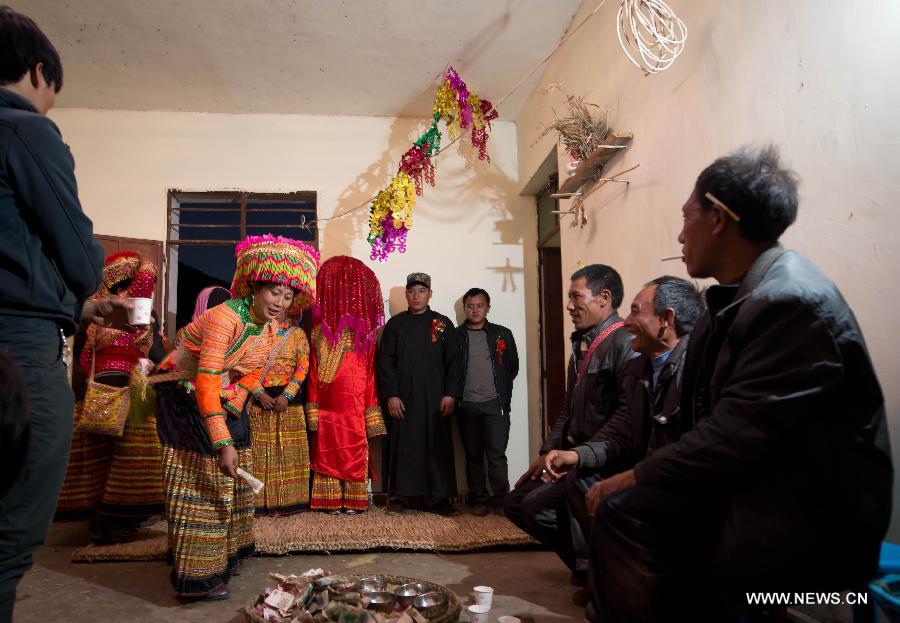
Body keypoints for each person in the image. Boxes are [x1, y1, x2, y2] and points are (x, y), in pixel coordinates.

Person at [586, 146, 893, 622]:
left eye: (688, 216)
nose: (680, 232)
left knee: (626, 507)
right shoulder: (728, 303)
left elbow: (732, 435)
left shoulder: (791, 302)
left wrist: (631, 475)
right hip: (753, 489)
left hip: (806, 517)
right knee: (625, 510)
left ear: (718, 219)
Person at [0, 7, 107, 621]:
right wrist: (86, 287)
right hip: (18, 350)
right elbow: (76, 250)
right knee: (11, 530)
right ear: (39, 72)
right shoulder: (24, 130)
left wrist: (82, 307)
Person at [151, 235, 318, 600]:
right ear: (255, 286)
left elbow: (250, 373)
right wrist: (221, 437)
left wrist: (234, 409)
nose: (280, 302)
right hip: (181, 392)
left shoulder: (271, 329)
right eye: (274, 292)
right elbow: (207, 377)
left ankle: (229, 552)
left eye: (288, 296)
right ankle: (198, 575)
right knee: (207, 473)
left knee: (240, 462)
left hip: (218, 393)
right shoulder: (224, 317)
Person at [541, 276, 702, 584]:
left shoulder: (695, 370)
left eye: (636, 312)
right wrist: (575, 456)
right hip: (647, 477)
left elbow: (692, 450)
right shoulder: (640, 368)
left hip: (679, 490)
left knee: (609, 506)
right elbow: (623, 434)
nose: (627, 322)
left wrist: (629, 479)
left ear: (666, 319)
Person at [502, 264, 632, 582]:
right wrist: (547, 452)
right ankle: (583, 566)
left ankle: (597, 573)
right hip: (573, 458)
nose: (569, 305)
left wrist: (579, 457)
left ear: (604, 298)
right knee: (517, 502)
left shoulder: (624, 343)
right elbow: (567, 411)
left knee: (551, 498)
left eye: (576, 297)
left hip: (601, 461)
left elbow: (624, 418)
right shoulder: (582, 345)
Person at [56, 253, 166, 544]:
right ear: (121, 292)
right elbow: (153, 354)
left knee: (103, 462)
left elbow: (83, 361)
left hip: (99, 392)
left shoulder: (96, 322)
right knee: (130, 461)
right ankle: (116, 521)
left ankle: (105, 522)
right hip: (126, 392)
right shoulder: (135, 319)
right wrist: (147, 266)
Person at [306, 256, 387, 514]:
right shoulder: (318, 331)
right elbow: (313, 372)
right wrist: (313, 408)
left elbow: (372, 373)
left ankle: (352, 500)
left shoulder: (365, 334)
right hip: (330, 404)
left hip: (354, 404)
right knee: (328, 447)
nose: (344, 296)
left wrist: (371, 410)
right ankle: (329, 500)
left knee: (352, 445)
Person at [378, 272, 463, 516]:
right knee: (404, 447)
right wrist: (391, 395)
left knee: (437, 446)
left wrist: (451, 394)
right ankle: (401, 497)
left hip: (436, 401)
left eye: (422, 291)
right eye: (412, 291)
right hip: (403, 400)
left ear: (430, 294)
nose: (416, 296)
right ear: (406, 294)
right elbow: (385, 363)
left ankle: (440, 499)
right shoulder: (395, 325)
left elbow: (454, 364)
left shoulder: (442, 323)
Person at [455, 288, 519, 516]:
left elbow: (512, 367)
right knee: (473, 456)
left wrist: (500, 391)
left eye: (479, 305)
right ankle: (479, 499)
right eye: (470, 306)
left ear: (488, 308)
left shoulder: (502, 334)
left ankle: (501, 500)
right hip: (467, 406)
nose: (475, 310)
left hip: (496, 405)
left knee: (496, 455)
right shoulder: (456, 336)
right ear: (464, 309)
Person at [249, 309, 311, 515]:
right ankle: (261, 504)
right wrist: (259, 393)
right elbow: (247, 365)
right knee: (260, 455)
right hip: (261, 401)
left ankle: (289, 503)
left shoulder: (298, 334)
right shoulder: (254, 331)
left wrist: (287, 395)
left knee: (289, 453)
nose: (278, 305)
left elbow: (302, 367)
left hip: (288, 403)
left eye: (285, 300)